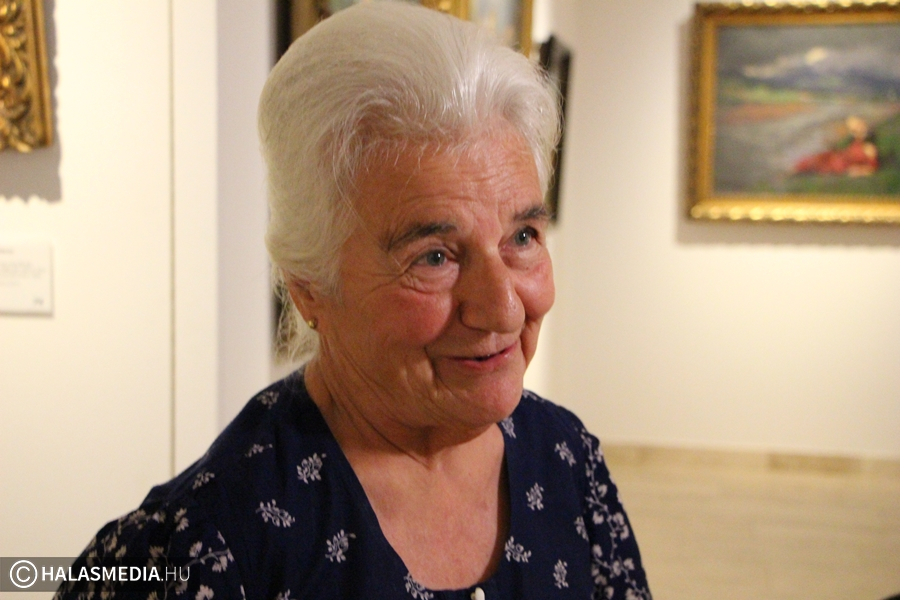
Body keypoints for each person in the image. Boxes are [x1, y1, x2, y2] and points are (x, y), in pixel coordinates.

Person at [56, 3, 651, 599]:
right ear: (309, 286)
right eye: (434, 257)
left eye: (522, 237)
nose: (504, 309)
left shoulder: (566, 460)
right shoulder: (199, 550)